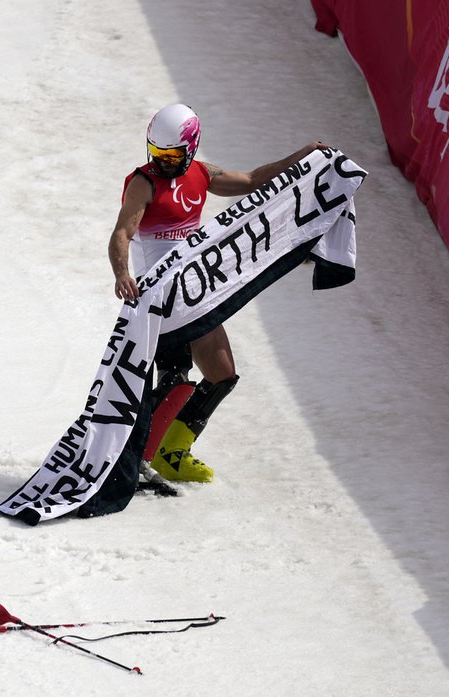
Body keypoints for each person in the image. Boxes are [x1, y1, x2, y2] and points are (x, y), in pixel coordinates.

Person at [108, 103, 327, 483]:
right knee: (174, 378)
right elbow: (122, 232)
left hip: (197, 292)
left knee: (222, 374)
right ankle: (134, 463)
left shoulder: (201, 174)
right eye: (156, 153)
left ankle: (171, 453)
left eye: (172, 155)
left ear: (190, 148)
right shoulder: (143, 183)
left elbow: (255, 180)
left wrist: (302, 156)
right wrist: (122, 273)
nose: (162, 162)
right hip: (162, 297)